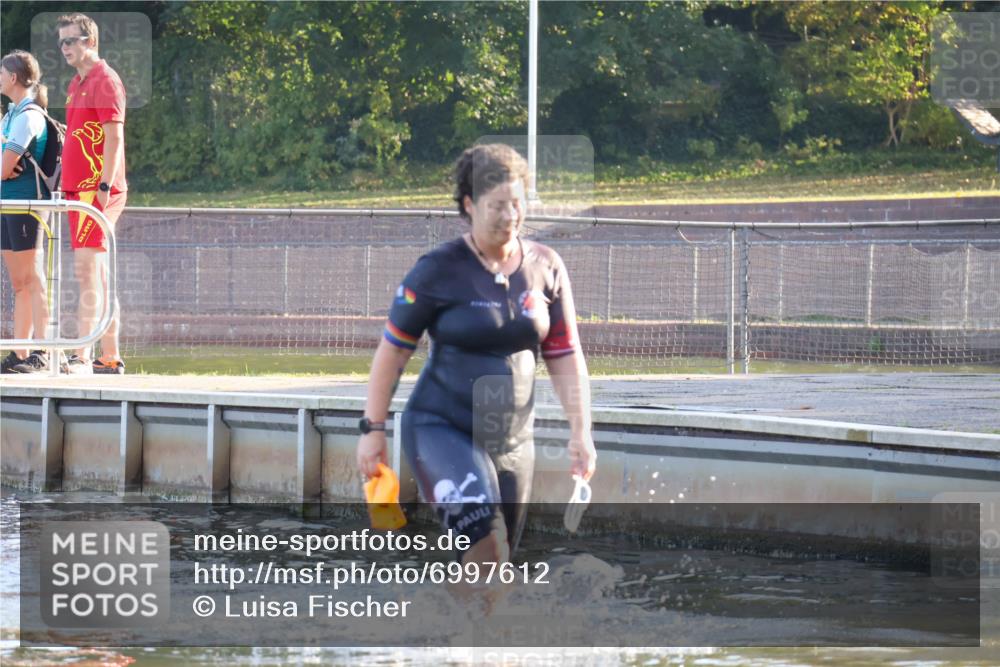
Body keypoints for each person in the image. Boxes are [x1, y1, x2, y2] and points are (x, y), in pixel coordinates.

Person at [356, 144, 597, 580]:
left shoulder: (546, 266)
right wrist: (373, 430)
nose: (510, 216)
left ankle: (459, 645)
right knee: (489, 553)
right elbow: (392, 352)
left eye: (518, 204)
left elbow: (564, 353)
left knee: (497, 572)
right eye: (497, 206)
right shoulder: (438, 270)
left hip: (513, 442)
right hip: (442, 429)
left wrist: (581, 431)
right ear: (469, 205)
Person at [57, 13, 128, 374]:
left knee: (87, 272)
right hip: (76, 191)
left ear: (91, 42)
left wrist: (103, 185)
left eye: (72, 41)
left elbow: (113, 137)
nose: (65, 47)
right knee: (95, 274)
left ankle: (82, 356)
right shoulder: (76, 83)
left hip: (95, 192)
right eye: (62, 42)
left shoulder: (105, 80)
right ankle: (108, 355)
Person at [1, 50, 52, 374]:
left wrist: (6, 164)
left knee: (33, 279)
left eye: (1, 72)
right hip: (7, 205)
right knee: (19, 282)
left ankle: (42, 350)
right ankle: (19, 354)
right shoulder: (9, 115)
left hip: (28, 205)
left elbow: (5, 166)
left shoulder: (29, 116)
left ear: (14, 78)